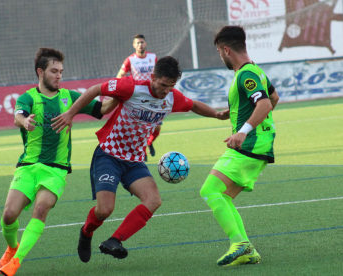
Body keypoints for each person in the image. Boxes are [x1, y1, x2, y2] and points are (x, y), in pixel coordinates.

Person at [51, 56, 230, 262]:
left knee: (153, 200)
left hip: (134, 161)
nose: (165, 91)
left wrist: (216, 115)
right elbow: (95, 90)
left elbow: (193, 105)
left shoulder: (171, 97)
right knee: (105, 210)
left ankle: (114, 240)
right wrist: (70, 114)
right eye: (163, 85)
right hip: (109, 154)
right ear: (153, 77)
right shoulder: (131, 87)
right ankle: (86, 233)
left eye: (170, 86)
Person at [0, 48, 117, 276]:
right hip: (28, 167)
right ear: (40, 72)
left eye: (61, 71)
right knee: (9, 215)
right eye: (54, 71)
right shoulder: (28, 97)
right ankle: (12, 248)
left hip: (56, 170)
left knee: (41, 209)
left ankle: (16, 262)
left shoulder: (69, 97)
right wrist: (24, 122)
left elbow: (103, 109)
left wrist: (117, 95)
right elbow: (17, 116)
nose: (59, 76)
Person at [199, 25, 280, 266]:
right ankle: (246, 249)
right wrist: (236, 115)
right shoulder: (256, 71)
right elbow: (274, 98)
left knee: (209, 190)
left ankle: (240, 244)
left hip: (251, 145)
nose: (220, 56)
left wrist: (244, 131)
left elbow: (265, 104)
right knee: (222, 195)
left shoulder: (245, 74)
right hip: (260, 144)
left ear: (226, 50)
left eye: (218, 52)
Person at [116, 34, 160, 160]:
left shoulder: (153, 57)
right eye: (138, 43)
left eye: (142, 42)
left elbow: (158, 73)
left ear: (145, 44)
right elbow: (120, 75)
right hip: (138, 97)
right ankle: (143, 151)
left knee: (157, 127)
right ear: (134, 45)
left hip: (153, 95)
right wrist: (119, 87)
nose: (140, 45)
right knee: (141, 127)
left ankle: (149, 143)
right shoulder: (130, 60)